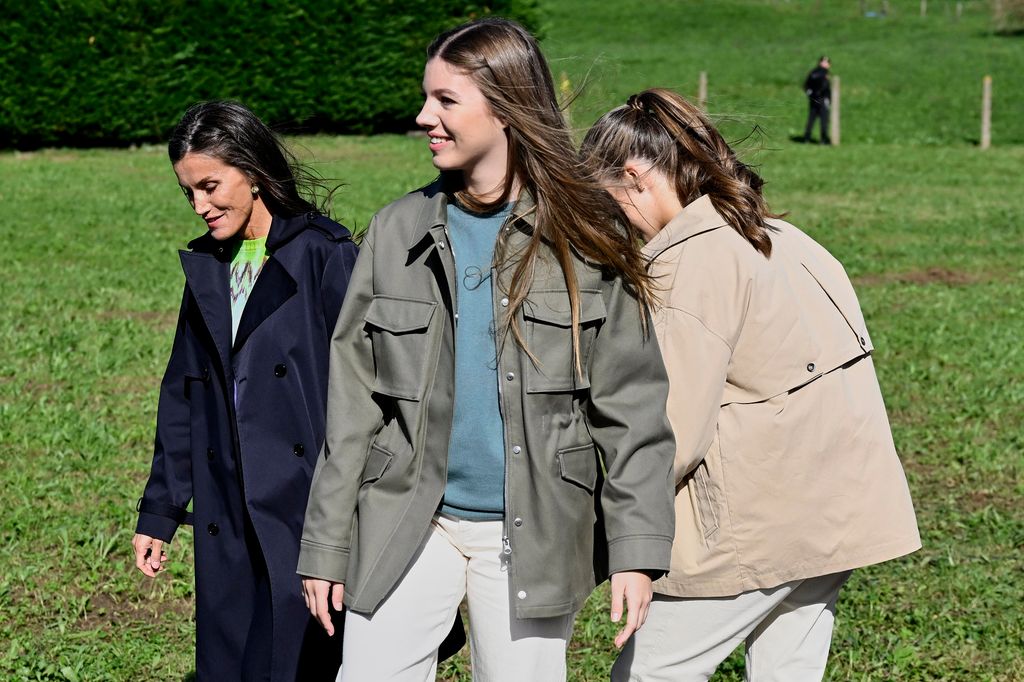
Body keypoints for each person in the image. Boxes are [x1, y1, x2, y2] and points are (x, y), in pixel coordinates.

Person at [297, 18, 676, 682]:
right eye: (426, 98)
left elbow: (633, 408)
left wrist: (636, 550)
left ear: (505, 107)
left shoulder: (587, 235)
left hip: (532, 531)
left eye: (445, 100)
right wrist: (326, 544)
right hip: (408, 518)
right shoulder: (396, 232)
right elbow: (351, 407)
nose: (423, 117)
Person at [582, 88, 921, 681]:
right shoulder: (785, 238)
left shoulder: (691, 262)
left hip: (753, 532)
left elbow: (670, 430)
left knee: (647, 676)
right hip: (830, 518)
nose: (611, 221)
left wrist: (608, 526)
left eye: (605, 199)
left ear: (635, 176)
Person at [132, 100, 358, 681]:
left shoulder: (324, 255)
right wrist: (160, 509)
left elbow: (367, 391)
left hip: (303, 507)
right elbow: (184, 393)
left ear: (253, 171)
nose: (201, 206)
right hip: (224, 504)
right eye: (189, 193)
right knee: (232, 660)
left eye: (210, 186)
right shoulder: (207, 265)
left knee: (298, 660)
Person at [803, 56, 832, 144]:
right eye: (824, 62)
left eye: (827, 62)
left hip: (816, 99)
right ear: (820, 62)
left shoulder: (815, 72)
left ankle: (807, 138)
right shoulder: (821, 73)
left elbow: (806, 86)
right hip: (820, 99)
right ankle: (823, 139)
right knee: (822, 120)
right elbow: (809, 85)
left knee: (813, 119)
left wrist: (810, 94)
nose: (825, 64)